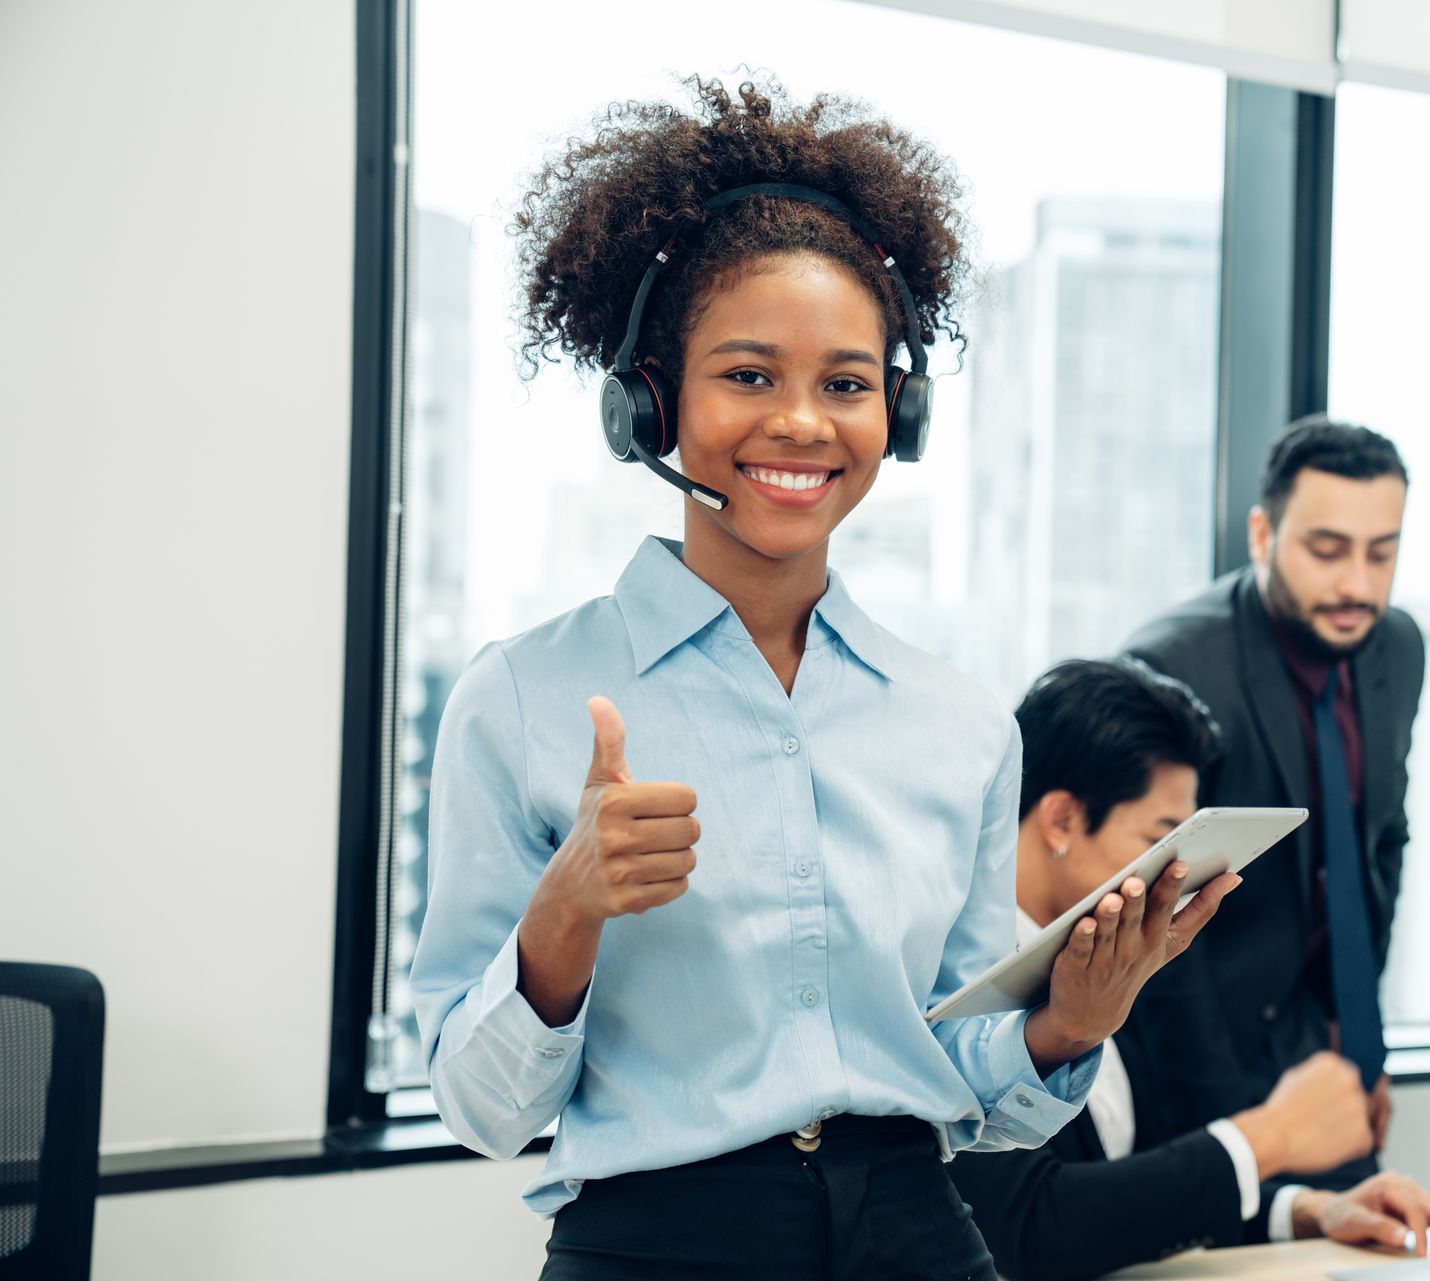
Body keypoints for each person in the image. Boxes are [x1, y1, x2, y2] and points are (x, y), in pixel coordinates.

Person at [407, 78, 1234, 1281]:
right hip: (658, 1248)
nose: (802, 422)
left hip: (920, 1237)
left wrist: (1072, 1024)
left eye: (846, 384)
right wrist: (565, 913)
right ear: (650, 399)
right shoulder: (525, 699)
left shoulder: (955, 722)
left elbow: (965, 1084)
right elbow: (482, 1110)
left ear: (897, 415)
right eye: (748, 375)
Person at [949, 658, 1430, 1281]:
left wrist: (1309, 1210)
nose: (1178, 872)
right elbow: (1032, 1225)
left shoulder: (1107, 952)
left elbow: (1138, 1193)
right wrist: (1269, 1135)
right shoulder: (957, 978)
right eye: (1161, 838)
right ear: (1061, 820)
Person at [1124, 416, 1421, 1188]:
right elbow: (1153, 923)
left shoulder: (1398, 648)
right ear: (1263, 533)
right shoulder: (1174, 666)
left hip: (1322, 1044)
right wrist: (1241, 1134)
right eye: (1327, 551)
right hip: (1199, 1050)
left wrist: (1362, 1048)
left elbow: (1378, 847)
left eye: (1380, 552)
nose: (1358, 584)